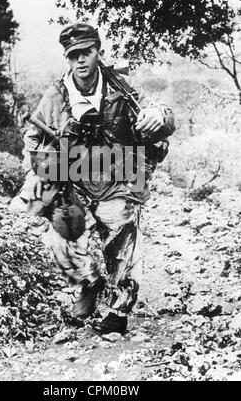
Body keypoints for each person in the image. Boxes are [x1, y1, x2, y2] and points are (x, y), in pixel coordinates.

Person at [16, 23, 175, 335]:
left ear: (98, 52)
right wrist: (32, 173)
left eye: (86, 52)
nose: (80, 60)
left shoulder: (122, 88)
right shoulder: (56, 96)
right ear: (67, 58)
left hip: (116, 174)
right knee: (59, 228)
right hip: (72, 175)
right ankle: (89, 282)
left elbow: (162, 115)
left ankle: (119, 308)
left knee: (121, 234)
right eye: (73, 54)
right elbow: (32, 141)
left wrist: (159, 116)